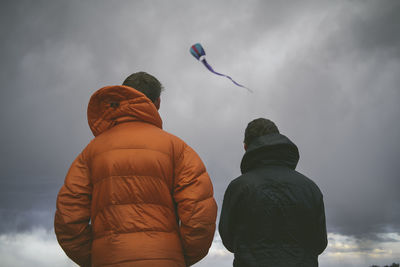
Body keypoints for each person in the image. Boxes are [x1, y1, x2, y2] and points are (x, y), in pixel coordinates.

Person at [54, 72, 217, 267]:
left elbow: (68, 218)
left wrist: (97, 257)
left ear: (120, 97)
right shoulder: (178, 149)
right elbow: (199, 215)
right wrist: (177, 257)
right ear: (157, 103)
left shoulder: (91, 153)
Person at [219, 118, 327, 267]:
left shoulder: (238, 188)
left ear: (246, 147)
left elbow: (229, 240)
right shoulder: (310, 188)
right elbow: (320, 243)